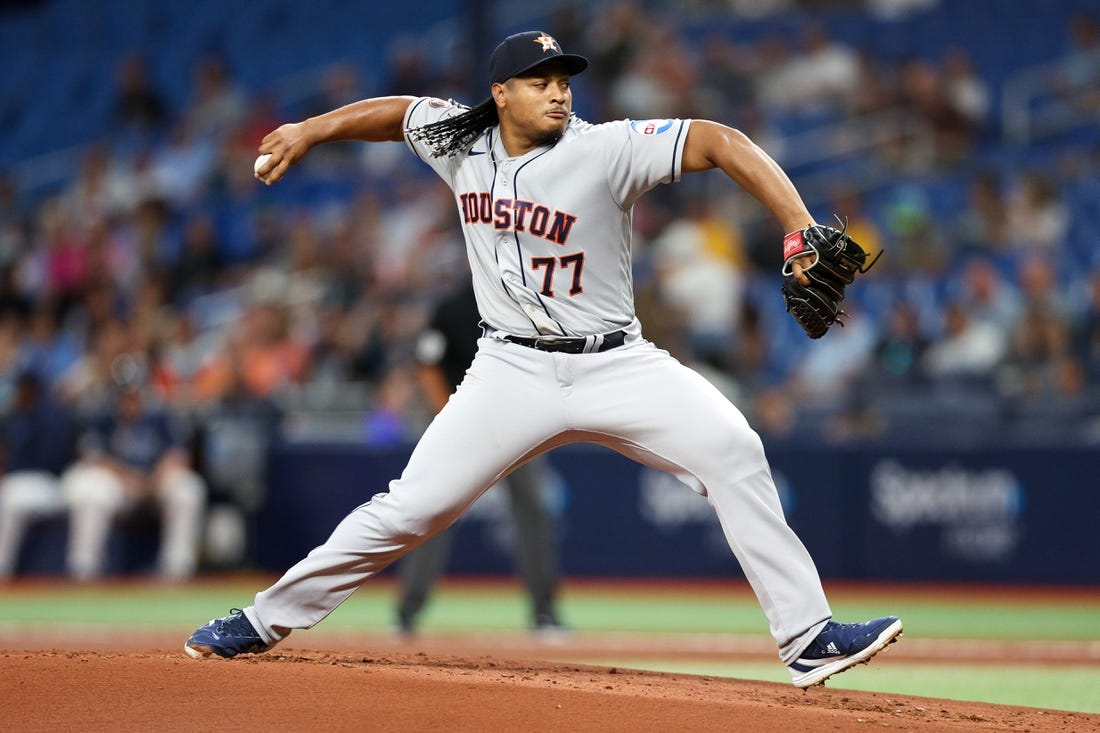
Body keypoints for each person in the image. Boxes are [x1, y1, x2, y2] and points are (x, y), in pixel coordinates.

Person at [185, 31, 902, 688]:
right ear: (500, 94)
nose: (559, 89)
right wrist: (311, 130)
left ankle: (808, 635)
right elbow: (397, 111)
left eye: (564, 78)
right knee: (410, 509)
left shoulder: (606, 148)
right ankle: (263, 618)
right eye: (539, 79)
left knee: (734, 449)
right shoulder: (460, 138)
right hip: (510, 370)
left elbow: (719, 139)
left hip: (618, 362)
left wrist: (797, 224)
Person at [396, 281, 564, 636]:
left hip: (514, 425)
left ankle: (545, 613)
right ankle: (407, 612)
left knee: (533, 509)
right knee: (432, 510)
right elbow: (428, 365)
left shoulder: (524, 304)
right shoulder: (454, 305)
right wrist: (450, 419)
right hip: (462, 425)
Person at [62, 378, 206, 580]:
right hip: (119, 486)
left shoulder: (160, 416)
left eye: (135, 394)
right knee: (93, 494)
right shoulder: (104, 416)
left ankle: (177, 570)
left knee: (188, 489)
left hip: (154, 484)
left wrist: (153, 480)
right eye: (126, 394)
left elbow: (179, 456)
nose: (131, 400)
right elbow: (93, 457)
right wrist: (126, 478)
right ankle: (84, 570)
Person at [0, 372, 75, 578]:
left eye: (25, 389)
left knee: (10, 500)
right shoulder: (12, 417)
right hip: (19, 483)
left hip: (45, 482)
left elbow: (53, 462)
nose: (20, 393)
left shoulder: (50, 419)